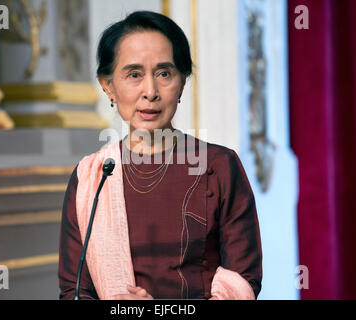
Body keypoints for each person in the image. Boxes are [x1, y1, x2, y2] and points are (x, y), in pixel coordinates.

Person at [58, 11, 262, 300]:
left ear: (181, 82)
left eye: (164, 73)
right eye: (134, 74)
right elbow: (73, 291)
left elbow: (243, 280)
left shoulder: (218, 166)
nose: (150, 91)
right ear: (108, 86)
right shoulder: (92, 176)